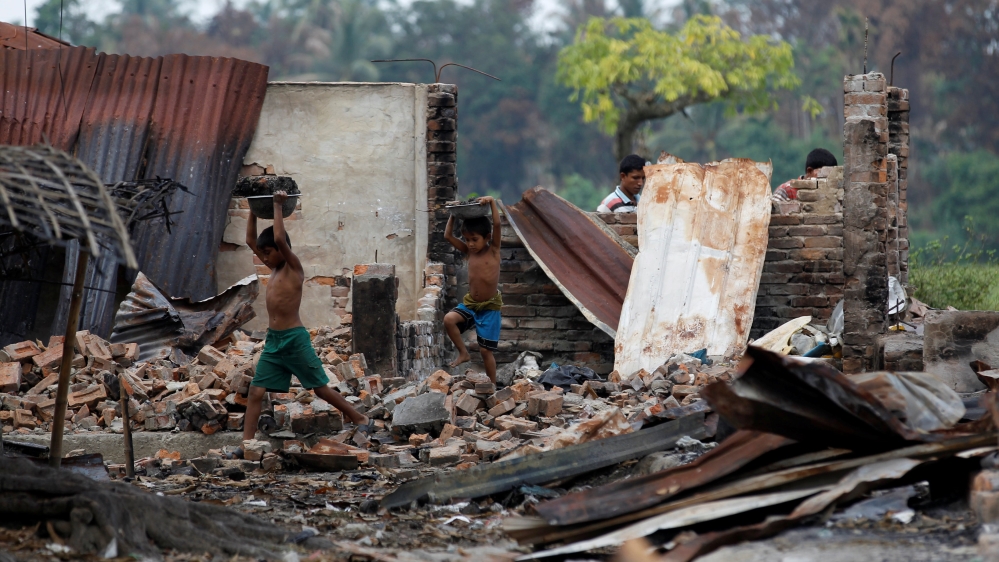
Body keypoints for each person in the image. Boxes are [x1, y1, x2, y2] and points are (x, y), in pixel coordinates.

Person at [242, 191, 369, 449]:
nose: (264, 258)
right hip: (274, 341)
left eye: (268, 253)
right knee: (256, 392)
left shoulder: (293, 268)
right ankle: (247, 444)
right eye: (262, 254)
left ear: (282, 250)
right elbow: (249, 240)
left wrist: (277, 206)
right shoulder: (275, 268)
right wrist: (252, 210)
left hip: (294, 339)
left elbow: (279, 237)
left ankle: (359, 416)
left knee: (320, 388)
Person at [443, 196, 503, 383]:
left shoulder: (493, 250)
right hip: (471, 304)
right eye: (467, 240)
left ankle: (492, 385)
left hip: (490, 308)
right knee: (449, 319)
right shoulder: (469, 252)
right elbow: (448, 236)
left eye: (474, 240)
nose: (470, 244)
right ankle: (463, 353)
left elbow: (498, 225)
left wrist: (492, 202)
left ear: (487, 238)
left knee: (486, 351)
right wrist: (453, 214)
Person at [773, 148, 839, 201]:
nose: (827, 181)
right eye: (823, 176)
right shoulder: (785, 191)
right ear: (809, 171)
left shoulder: (834, 194)